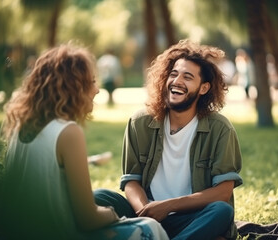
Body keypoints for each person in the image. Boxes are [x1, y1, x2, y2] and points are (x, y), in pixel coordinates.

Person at [0, 44, 168, 240]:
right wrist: (114, 214)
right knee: (150, 227)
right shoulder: (68, 131)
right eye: (92, 81)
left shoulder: (19, 124)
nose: (97, 89)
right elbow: (88, 219)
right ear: (73, 87)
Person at [94, 39, 243, 240]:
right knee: (98, 197)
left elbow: (222, 193)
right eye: (173, 74)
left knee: (221, 212)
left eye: (188, 77)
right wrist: (147, 215)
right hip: (146, 212)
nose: (177, 81)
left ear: (204, 88)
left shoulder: (220, 129)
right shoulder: (140, 122)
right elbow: (131, 181)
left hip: (191, 218)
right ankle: (150, 233)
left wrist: (168, 206)